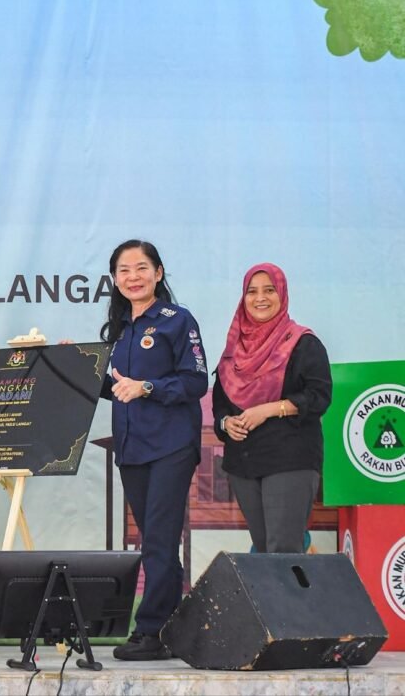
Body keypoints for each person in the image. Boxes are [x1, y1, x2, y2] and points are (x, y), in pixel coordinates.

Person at [98, 239, 208, 662]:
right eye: (124, 271)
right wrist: (79, 365)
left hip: (170, 445)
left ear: (158, 273)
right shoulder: (120, 329)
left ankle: (151, 631)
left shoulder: (177, 321)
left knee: (160, 540)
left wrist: (147, 387)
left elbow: (195, 381)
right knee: (154, 540)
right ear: (114, 279)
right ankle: (168, 628)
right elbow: (117, 390)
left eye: (141, 268)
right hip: (132, 447)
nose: (133, 277)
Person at [213, 263, 331, 553]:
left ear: (282, 294)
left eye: (269, 290)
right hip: (244, 463)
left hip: (289, 458)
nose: (260, 298)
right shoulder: (234, 350)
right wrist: (227, 423)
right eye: (252, 292)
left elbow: (319, 396)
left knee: (283, 551)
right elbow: (220, 407)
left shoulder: (303, 342)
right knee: (263, 550)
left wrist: (267, 410)